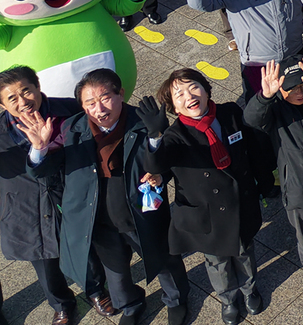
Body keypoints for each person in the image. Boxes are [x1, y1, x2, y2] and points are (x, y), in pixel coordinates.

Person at [23, 68, 189, 325]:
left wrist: (156, 138)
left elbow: (166, 165)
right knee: (116, 273)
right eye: (89, 103)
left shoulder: (142, 121)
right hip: (97, 218)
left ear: (120, 94)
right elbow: (45, 173)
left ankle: (177, 299)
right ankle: (130, 305)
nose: (99, 108)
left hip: (140, 212)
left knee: (163, 258)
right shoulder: (72, 128)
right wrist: (39, 149)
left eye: (105, 98)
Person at [148, 68, 271, 325]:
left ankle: (250, 290)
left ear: (206, 89)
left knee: (245, 251)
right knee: (217, 262)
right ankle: (228, 299)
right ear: (173, 106)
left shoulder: (229, 113)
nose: (189, 96)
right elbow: (157, 164)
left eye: (193, 87)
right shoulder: (174, 136)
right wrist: (154, 137)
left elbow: (253, 148)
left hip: (239, 202)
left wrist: (265, 180)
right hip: (206, 213)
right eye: (178, 94)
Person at [0, 66, 89, 325]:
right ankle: (62, 304)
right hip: (23, 205)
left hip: (68, 193)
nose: (22, 101)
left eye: (26, 91)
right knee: (45, 264)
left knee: (87, 247)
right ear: (3, 105)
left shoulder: (70, 109)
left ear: (38, 87)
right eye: (12, 98)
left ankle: (96, 290)